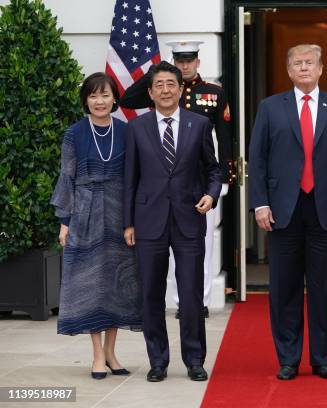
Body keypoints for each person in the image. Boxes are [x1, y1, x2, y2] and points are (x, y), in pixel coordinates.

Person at [249, 44, 327, 381]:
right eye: (296, 63)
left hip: (326, 209)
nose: (303, 68)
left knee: (323, 286)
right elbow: (258, 159)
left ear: (321, 69)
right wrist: (261, 203)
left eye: (309, 63)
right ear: (288, 70)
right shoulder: (270, 108)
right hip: (283, 209)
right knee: (284, 286)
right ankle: (288, 358)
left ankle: (322, 358)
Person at [123, 61, 222, 382]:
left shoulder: (199, 124)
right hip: (147, 221)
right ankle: (158, 361)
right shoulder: (136, 128)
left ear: (181, 89)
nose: (165, 90)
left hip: (189, 219)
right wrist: (128, 223)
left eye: (171, 84)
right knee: (151, 294)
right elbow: (130, 180)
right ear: (150, 92)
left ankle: (194, 359)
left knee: (191, 294)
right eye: (159, 85)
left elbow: (214, 169)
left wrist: (212, 194)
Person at [120, 40, 232, 320]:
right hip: (158, 194)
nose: (184, 66)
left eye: (189, 61)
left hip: (197, 187)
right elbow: (127, 100)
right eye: (179, 61)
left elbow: (224, 137)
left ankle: (198, 300)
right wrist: (157, 72)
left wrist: (223, 181)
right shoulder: (162, 88)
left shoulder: (213, 93)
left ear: (197, 62)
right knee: (161, 259)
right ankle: (179, 300)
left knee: (199, 251)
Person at [50, 72, 142, 379]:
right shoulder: (74, 133)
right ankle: (97, 354)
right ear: (85, 100)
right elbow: (66, 178)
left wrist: (134, 219)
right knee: (91, 285)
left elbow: (135, 178)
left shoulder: (127, 131)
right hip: (85, 214)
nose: (99, 101)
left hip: (119, 216)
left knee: (117, 283)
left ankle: (112, 353)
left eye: (104, 95)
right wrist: (65, 222)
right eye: (93, 96)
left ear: (114, 98)